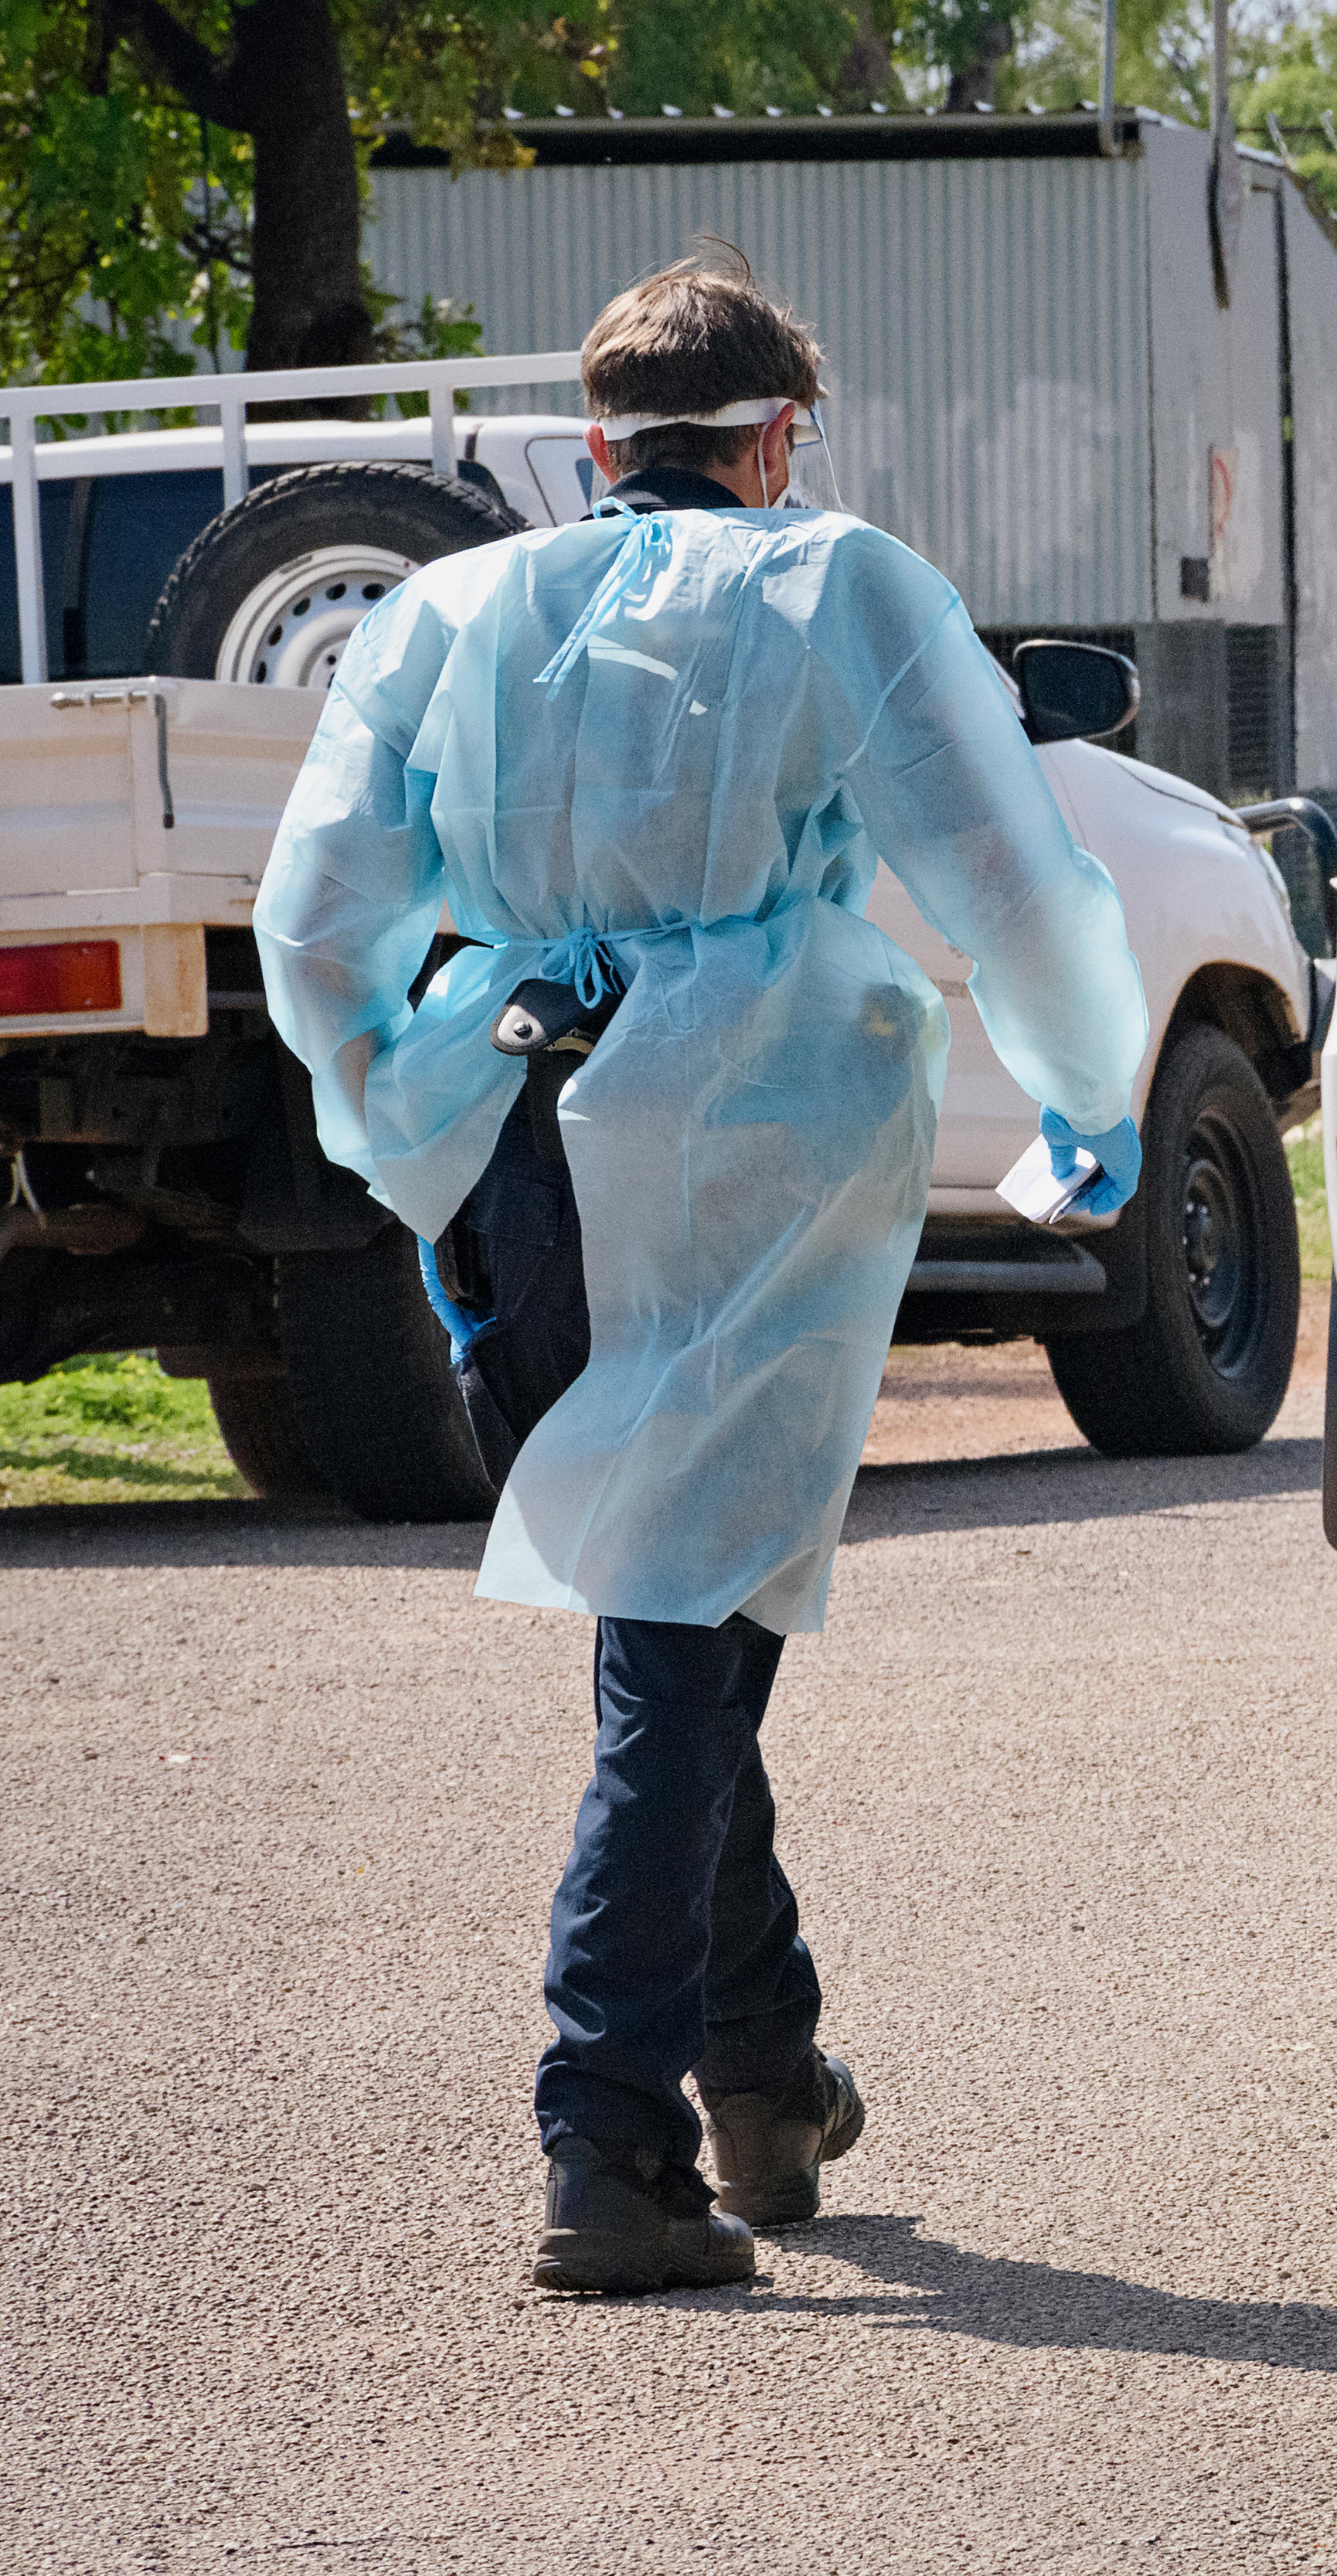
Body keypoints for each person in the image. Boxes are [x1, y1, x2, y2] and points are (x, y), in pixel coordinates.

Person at [257, 252, 1151, 2295]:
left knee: (681, 1605)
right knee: (676, 1637)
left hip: (504, 1155)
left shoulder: (446, 606)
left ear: (594, 444)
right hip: (746, 1141)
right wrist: (1087, 1091)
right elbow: (1007, 865)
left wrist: (404, 1097)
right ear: (776, 439)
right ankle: (608, 2137)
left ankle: (763, 2064)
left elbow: (313, 921)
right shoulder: (836, 582)